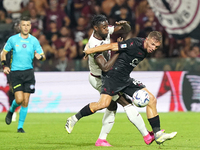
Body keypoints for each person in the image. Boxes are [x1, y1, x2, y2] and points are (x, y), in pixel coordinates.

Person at [66, 31, 177, 144]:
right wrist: (90, 50)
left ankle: (157, 134)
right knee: (102, 105)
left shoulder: (145, 49)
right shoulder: (134, 43)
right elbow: (111, 46)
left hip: (125, 79)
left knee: (152, 99)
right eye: (152, 44)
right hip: (112, 77)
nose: (153, 48)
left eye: (156, 46)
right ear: (147, 39)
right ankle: (74, 119)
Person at [1, 16, 46, 133]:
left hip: (29, 74)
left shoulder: (34, 41)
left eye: (28, 25)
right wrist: (4, 66)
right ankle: (11, 111)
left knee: (26, 101)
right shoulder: (13, 40)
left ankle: (20, 127)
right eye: (24, 25)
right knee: (19, 99)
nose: (26, 27)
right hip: (16, 73)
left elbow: (43, 56)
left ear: (30, 26)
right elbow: (3, 53)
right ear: (20, 26)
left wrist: (40, 57)